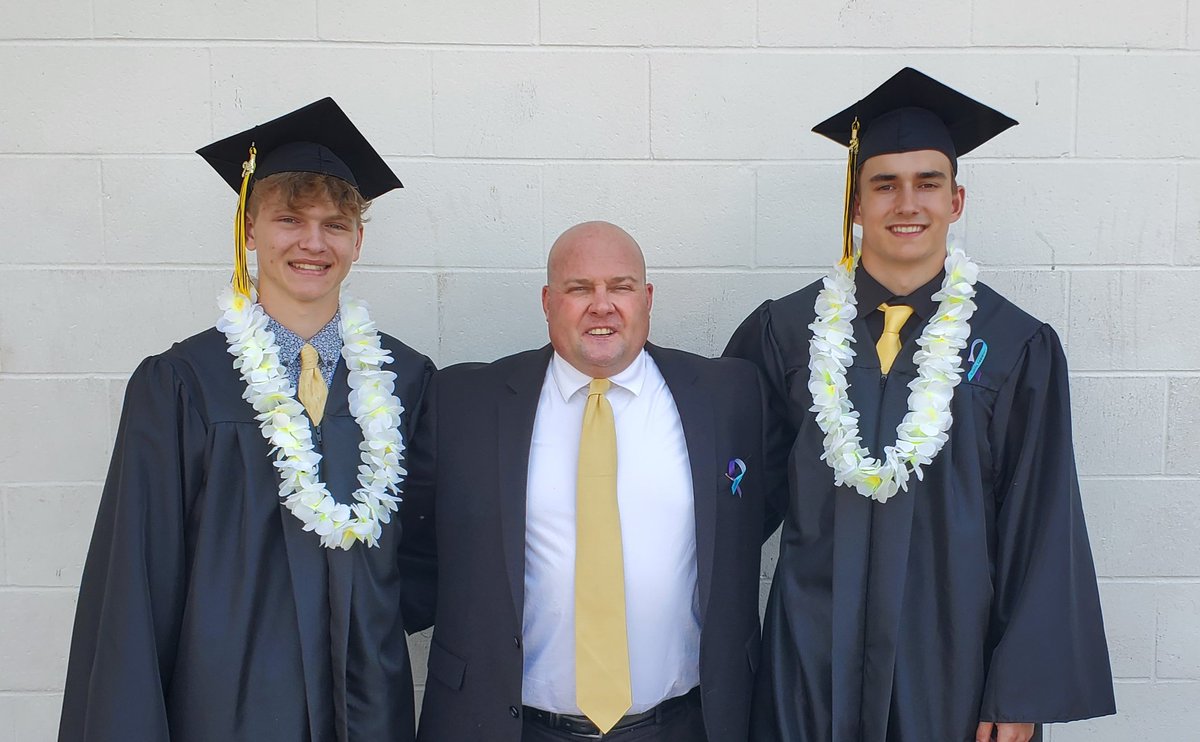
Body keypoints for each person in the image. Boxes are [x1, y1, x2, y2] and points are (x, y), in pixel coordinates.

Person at [724, 68, 1115, 742]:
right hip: (809, 660)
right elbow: (731, 498)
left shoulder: (1014, 346)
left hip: (950, 667)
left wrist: (1019, 691)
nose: (907, 202)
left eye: (928, 183)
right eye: (885, 184)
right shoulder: (784, 334)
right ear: (856, 203)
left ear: (956, 201)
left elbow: (1041, 520)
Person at [58, 98, 435, 742]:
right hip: (227, 704)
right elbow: (137, 578)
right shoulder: (181, 384)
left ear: (358, 240)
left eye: (334, 224)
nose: (312, 242)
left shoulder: (407, 380)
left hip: (367, 701)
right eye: (289, 219)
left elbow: (427, 550)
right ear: (250, 230)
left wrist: (360, 611)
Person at [406, 221, 779, 742]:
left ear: (647, 298)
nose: (602, 306)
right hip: (511, 727)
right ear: (547, 302)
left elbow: (759, 512)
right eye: (579, 288)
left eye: (620, 287)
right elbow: (416, 545)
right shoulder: (465, 402)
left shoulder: (730, 395)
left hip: (685, 724)